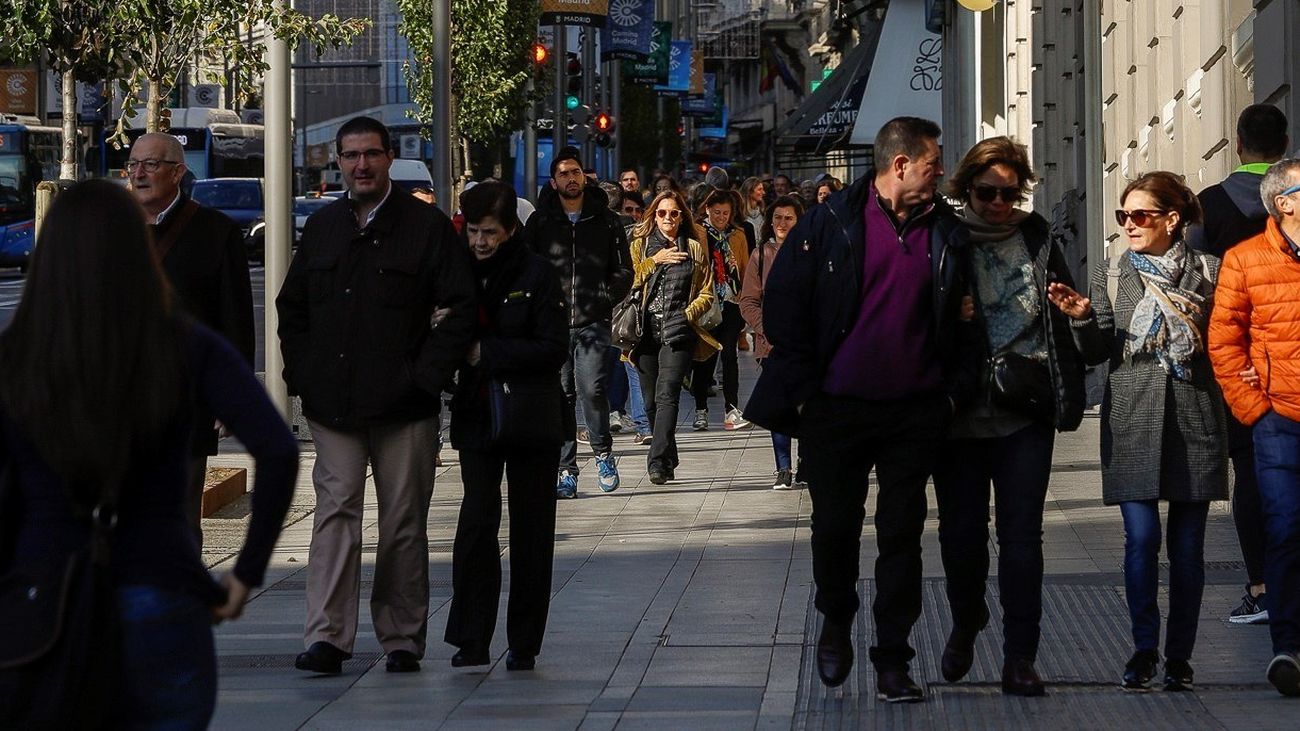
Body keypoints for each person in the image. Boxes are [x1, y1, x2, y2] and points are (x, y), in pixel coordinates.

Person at [0, 180, 298, 728]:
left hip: (41, 596)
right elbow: (277, 450)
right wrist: (245, 573)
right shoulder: (185, 343)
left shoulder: (16, 355)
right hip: (163, 584)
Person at [745, 117, 976, 701]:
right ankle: (836, 623)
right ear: (899, 165)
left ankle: (894, 657)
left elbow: (967, 323)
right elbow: (784, 308)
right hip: (835, 410)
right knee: (835, 529)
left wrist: (950, 395)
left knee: (903, 535)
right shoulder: (830, 223)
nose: (941, 172)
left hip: (914, 412)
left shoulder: (947, 231)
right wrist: (804, 395)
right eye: (932, 163)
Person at [278, 116, 476, 675]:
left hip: (404, 405)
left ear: (390, 157)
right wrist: (304, 375)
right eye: (349, 156)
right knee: (334, 513)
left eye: (370, 154)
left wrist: (426, 376)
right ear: (337, 162)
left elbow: (458, 310)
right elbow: (292, 310)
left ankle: (401, 638)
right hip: (333, 405)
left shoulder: (426, 227)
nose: (360, 165)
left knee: (403, 522)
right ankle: (327, 637)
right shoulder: (322, 227)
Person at [932, 137, 1103, 697]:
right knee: (961, 536)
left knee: (1022, 538)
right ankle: (966, 618)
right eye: (989, 193)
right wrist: (948, 313)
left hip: (1023, 410)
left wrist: (1075, 314)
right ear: (967, 190)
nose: (1001, 204)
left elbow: (1067, 313)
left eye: (1011, 193)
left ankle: (1020, 657)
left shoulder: (1038, 238)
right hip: (959, 414)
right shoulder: (944, 239)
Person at [1055, 171, 1226, 692]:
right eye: (1122, 216)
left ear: (1172, 220)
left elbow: (1224, 345)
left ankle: (1180, 657)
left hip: (1195, 417)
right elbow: (1097, 353)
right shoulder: (1111, 276)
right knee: (1141, 540)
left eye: (1140, 216)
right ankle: (1143, 649)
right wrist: (1083, 319)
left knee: (1189, 548)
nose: (1128, 225)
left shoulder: (1210, 272)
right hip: (1131, 418)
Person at [444, 182, 567, 672]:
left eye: (489, 232)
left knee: (531, 529)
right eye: (473, 231)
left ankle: (524, 641)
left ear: (510, 230)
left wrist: (486, 352)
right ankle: (470, 638)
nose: (479, 241)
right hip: (477, 417)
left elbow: (552, 347)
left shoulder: (536, 272)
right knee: (476, 523)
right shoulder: (454, 271)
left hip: (530, 417)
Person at [125, 132, 256, 545]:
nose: (139, 174)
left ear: (178, 172)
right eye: (133, 164)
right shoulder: (110, 230)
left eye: (151, 164)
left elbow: (235, 319)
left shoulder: (215, 232)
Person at [1191, 104, 1290, 625]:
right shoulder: (1294, 202)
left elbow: (1197, 286)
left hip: (1242, 366)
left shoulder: (1209, 206)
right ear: (1286, 141)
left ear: (1237, 143)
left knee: (1250, 470)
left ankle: (1261, 586)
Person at [1209, 158, 1300, 697]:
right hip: (1280, 420)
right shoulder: (1245, 260)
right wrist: (1255, 409)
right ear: (1283, 203)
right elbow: (1223, 341)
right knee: (1286, 529)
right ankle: (1288, 646)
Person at [524, 151, 633, 498]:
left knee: (592, 388)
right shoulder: (540, 222)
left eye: (575, 172)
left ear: (584, 177)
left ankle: (602, 452)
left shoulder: (607, 221)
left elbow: (624, 270)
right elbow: (527, 268)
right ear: (553, 181)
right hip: (553, 323)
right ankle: (566, 468)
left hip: (592, 320)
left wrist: (604, 297)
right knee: (561, 395)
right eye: (563, 174)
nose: (570, 179)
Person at [626, 190, 721, 484]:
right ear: (654, 215)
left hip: (679, 333)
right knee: (651, 401)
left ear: (682, 217)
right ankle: (668, 455)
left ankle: (655, 462)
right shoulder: (640, 247)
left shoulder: (693, 248)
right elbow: (627, 281)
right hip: (644, 333)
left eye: (674, 213)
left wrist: (688, 314)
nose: (668, 218)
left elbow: (707, 292)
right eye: (662, 213)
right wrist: (655, 260)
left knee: (668, 395)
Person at [739, 194, 805, 488]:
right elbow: (748, 300)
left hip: (805, 345)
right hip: (772, 346)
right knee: (779, 406)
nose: (782, 223)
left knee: (805, 406)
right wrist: (766, 329)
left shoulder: (811, 252)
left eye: (788, 218)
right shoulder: (760, 255)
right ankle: (783, 468)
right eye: (777, 217)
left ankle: (807, 463)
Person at [690, 188, 752, 432]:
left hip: (731, 301)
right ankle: (701, 409)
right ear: (707, 210)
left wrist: (746, 300)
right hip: (706, 300)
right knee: (705, 356)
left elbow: (746, 268)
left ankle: (732, 409)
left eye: (725, 213)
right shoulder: (697, 231)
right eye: (717, 213)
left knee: (729, 354)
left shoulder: (738, 235)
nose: (721, 217)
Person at [740, 177, 768, 248]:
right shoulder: (739, 215)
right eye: (759, 189)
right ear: (749, 191)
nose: (763, 193)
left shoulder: (764, 213)